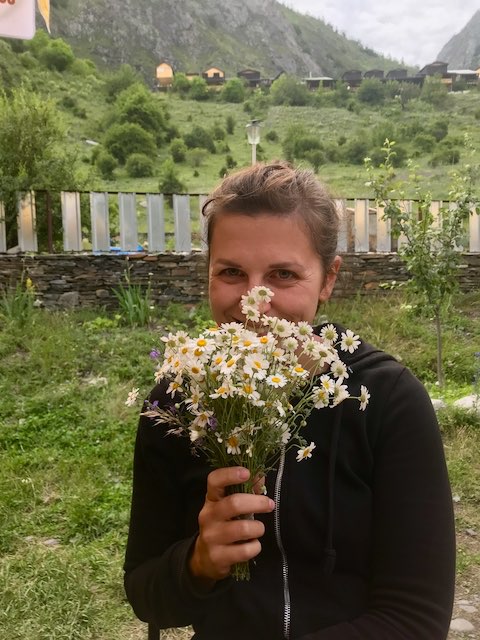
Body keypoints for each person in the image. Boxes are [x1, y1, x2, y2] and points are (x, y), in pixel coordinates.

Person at [124, 161, 456, 639]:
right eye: (232, 272)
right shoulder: (179, 402)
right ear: (207, 273)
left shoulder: (385, 401)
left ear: (328, 280)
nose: (254, 302)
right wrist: (198, 564)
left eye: (283, 274)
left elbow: (415, 620)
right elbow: (145, 594)